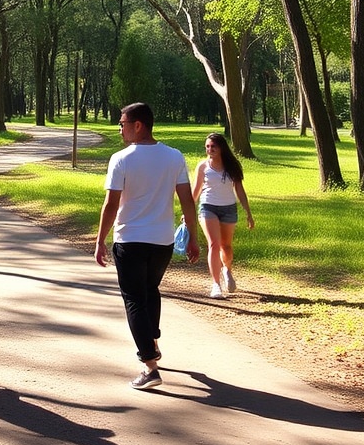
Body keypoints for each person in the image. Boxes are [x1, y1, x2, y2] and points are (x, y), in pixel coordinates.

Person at [95, 102, 200, 391]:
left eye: (122, 123)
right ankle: (151, 340)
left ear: (138, 125)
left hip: (130, 241)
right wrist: (193, 236)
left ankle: (149, 364)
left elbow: (111, 204)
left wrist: (100, 239)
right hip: (162, 242)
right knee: (149, 291)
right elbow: (187, 200)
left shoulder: (121, 159)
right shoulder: (174, 156)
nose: (120, 128)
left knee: (134, 300)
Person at [192, 131, 254, 299]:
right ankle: (216, 284)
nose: (209, 149)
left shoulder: (232, 166)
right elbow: (196, 191)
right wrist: (188, 211)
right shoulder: (203, 166)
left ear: (221, 148)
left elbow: (240, 190)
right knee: (214, 244)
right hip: (207, 207)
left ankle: (227, 269)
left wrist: (248, 212)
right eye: (207, 147)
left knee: (225, 246)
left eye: (213, 146)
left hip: (228, 209)